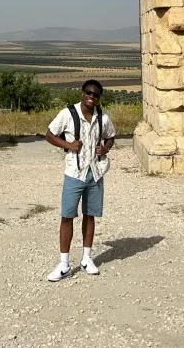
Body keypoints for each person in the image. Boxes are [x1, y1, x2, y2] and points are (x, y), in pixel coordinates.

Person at [43, 79, 116, 281]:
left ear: (99, 98)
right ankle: (64, 264)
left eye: (96, 95)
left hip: (95, 171)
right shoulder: (68, 114)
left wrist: (107, 148)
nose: (92, 97)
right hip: (74, 172)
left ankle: (86, 258)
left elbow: (111, 135)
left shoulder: (103, 117)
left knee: (90, 215)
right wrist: (67, 144)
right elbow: (49, 134)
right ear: (82, 93)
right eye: (89, 93)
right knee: (67, 216)